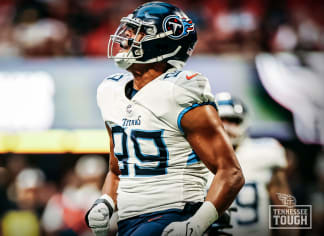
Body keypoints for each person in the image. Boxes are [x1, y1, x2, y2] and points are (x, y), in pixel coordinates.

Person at [85, 2, 245, 236]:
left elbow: (230, 173)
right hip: (129, 222)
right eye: (129, 29)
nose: (126, 36)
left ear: (163, 44)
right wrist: (106, 201)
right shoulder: (109, 91)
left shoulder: (179, 90)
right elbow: (119, 170)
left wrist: (197, 223)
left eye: (139, 31)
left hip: (175, 214)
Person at [211, 92, 293, 236]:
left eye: (233, 120)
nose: (227, 127)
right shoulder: (193, 157)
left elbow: (285, 206)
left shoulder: (265, 152)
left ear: (244, 121)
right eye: (221, 120)